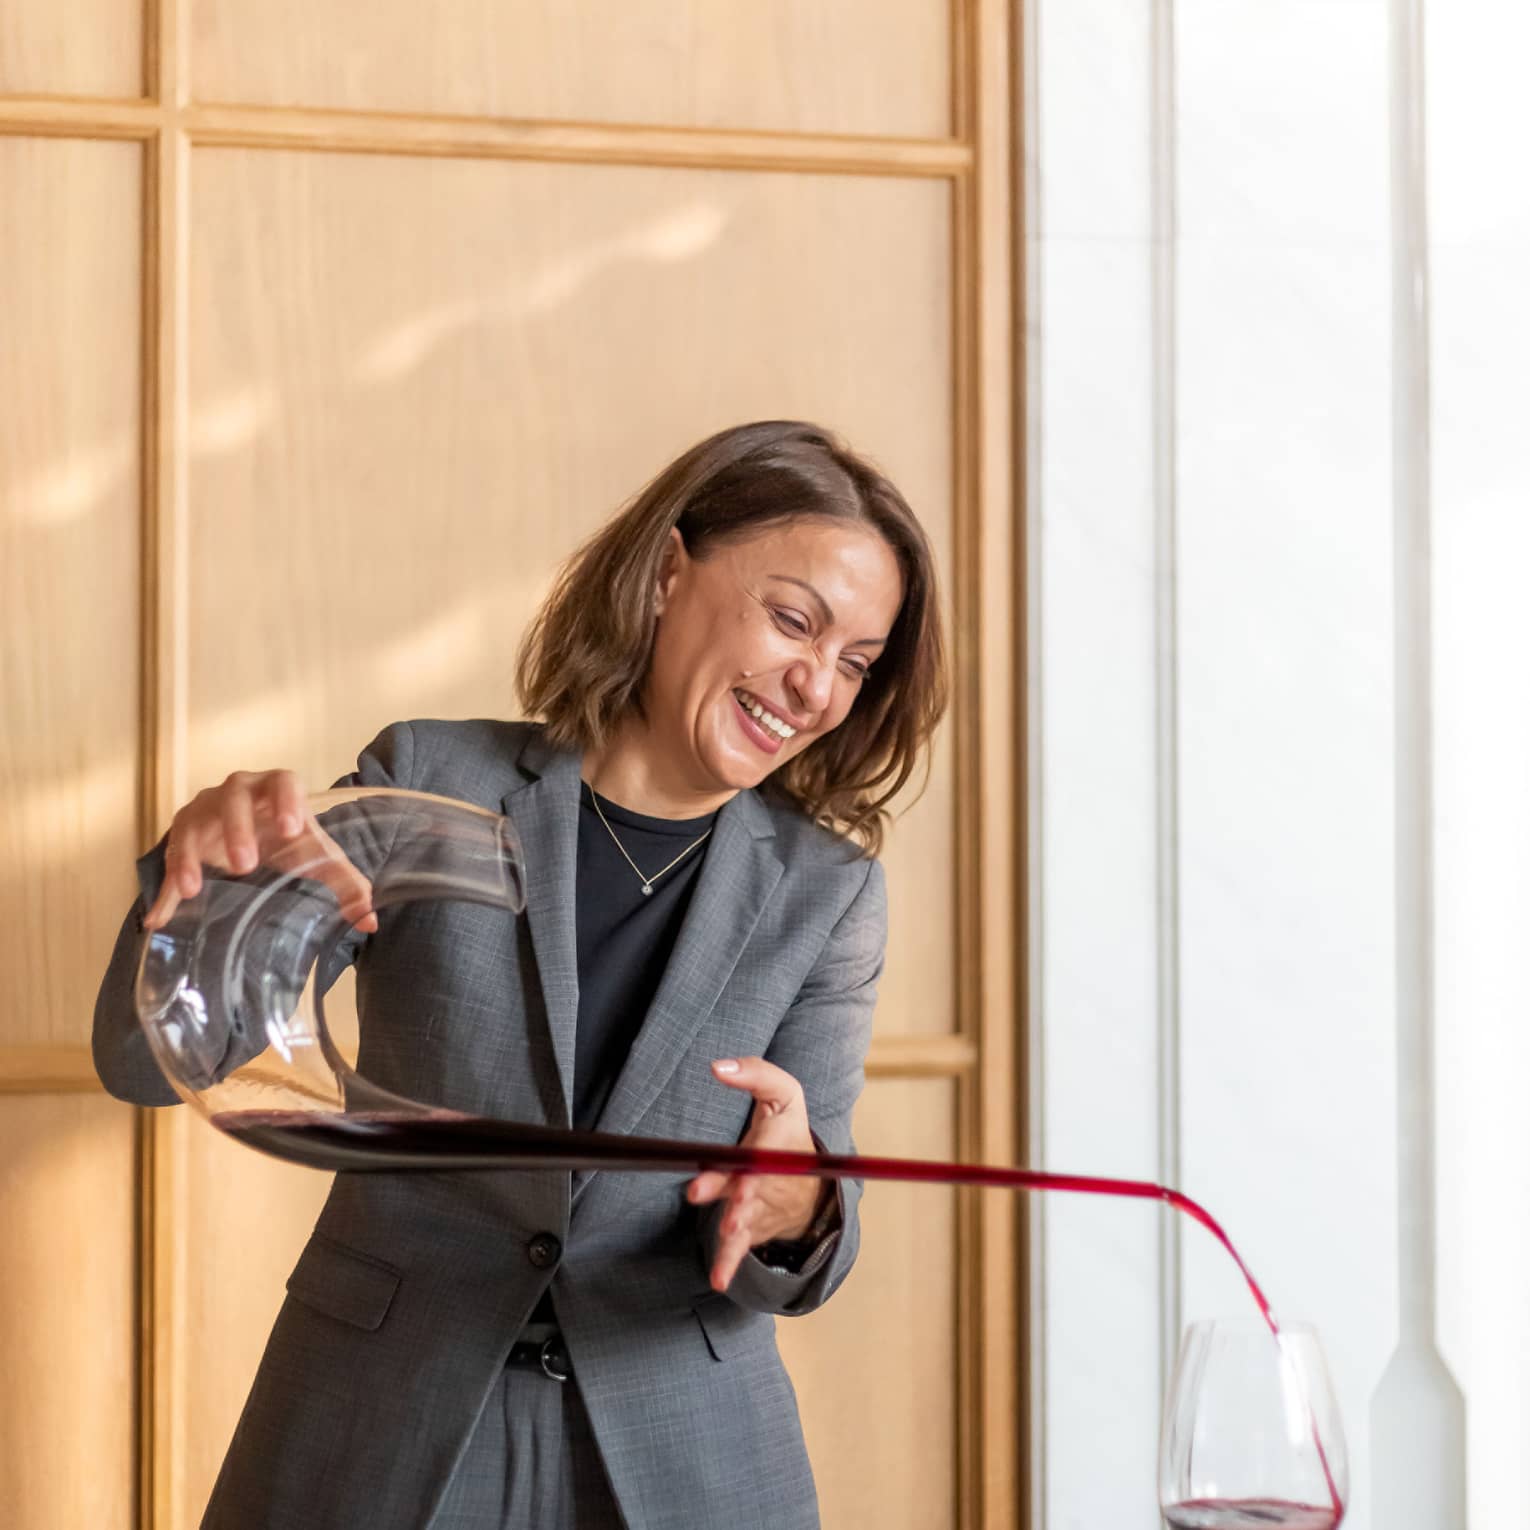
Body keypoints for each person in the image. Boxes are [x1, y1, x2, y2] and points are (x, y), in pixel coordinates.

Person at [93, 419, 949, 1530]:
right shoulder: (429, 775)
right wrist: (216, 884)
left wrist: (798, 1205)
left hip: (683, 1454)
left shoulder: (828, 894)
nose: (815, 685)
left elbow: (814, 1223)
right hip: (379, 1423)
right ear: (668, 572)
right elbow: (147, 1061)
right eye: (794, 620)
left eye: (855, 664)